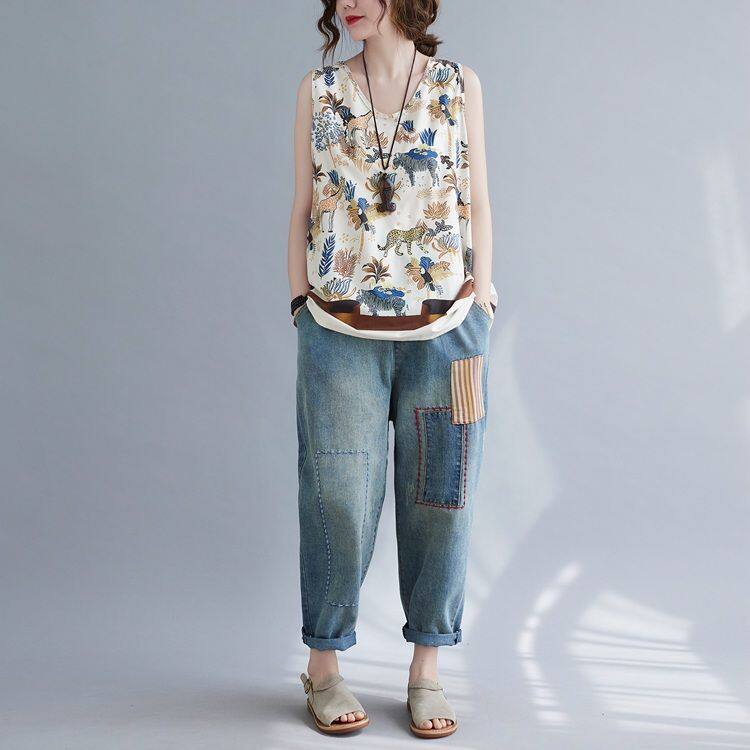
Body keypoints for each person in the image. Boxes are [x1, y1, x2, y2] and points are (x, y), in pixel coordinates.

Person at [287, 0, 497, 738]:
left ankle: (426, 670)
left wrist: (483, 299)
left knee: (443, 496)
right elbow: (304, 205)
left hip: (449, 332)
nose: (347, 3)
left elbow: (477, 198)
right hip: (338, 330)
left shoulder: (458, 84)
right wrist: (298, 302)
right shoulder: (319, 91)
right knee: (338, 498)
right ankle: (323, 666)